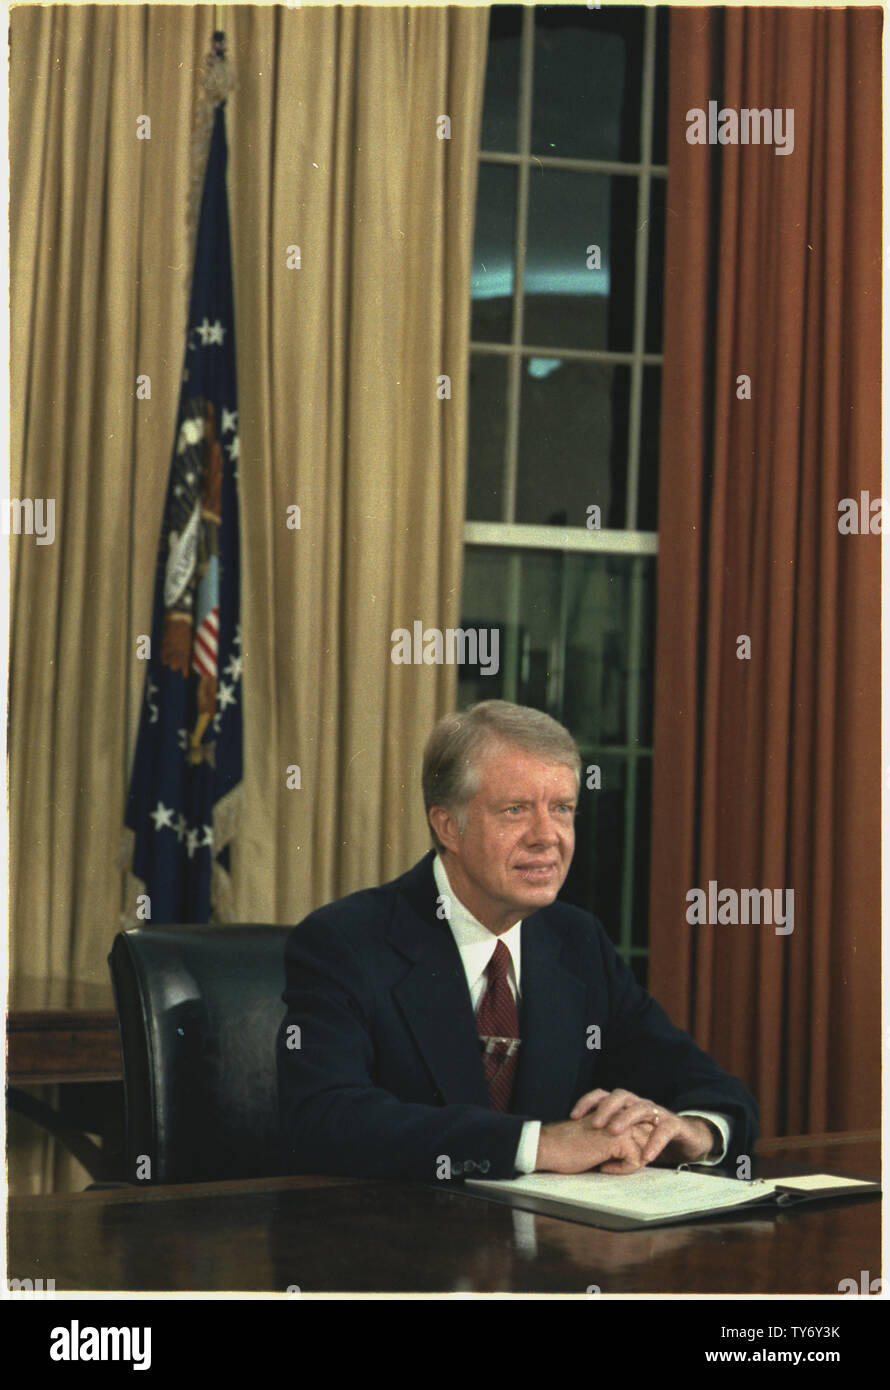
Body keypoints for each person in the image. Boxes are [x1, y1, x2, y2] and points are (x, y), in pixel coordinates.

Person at [276, 701, 758, 1180]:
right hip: (402, 1243)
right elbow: (323, 1118)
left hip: (549, 1245)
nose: (547, 837)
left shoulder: (577, 941)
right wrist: (537, 1145)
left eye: (562, 809)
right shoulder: (346, 941)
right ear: (449, 827)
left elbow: (705, 1085)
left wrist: (693, 1130)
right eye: (515, 810)